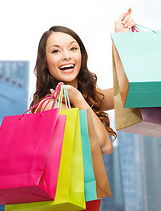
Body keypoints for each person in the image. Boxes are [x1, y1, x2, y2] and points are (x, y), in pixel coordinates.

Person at [31, 8, 136, 155]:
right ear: (45, 62)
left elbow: (129, 92)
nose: (66, 56)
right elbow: (103, 146)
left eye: (73, 48)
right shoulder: (51, 106)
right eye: (56, 51)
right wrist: (78, 100)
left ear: (82, 55)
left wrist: (122, 38)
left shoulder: (87, 95)